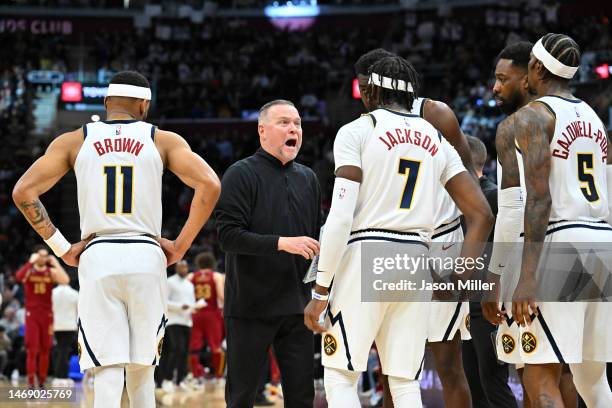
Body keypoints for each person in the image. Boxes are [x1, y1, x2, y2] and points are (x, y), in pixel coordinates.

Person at [12, 70, 221, 407]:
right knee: (142, 372)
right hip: (146, 254)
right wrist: (180, 246)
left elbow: (23, 191)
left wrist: (62, 248)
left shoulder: (74, 140)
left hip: (99, 254)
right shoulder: (162, 139)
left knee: (107, 371)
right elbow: (210, 184)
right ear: (144, 104)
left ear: (107, 102)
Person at [303, 55, 493, 407]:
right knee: (406, 383)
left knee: (341, 377)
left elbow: (341, 218)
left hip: (367, 253)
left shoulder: (358, 130)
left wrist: (320, 289)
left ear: (372, 90)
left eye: (362, 89)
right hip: (418, 259)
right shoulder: (436, 138)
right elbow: (481, 213)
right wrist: (462, 277)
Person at [354, 48, 476, 408]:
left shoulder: (434, 113)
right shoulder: (368, 127)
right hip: (393, 247)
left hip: (441, 244)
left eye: (367, 87)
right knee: (395, 367)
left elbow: (472, 179)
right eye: (360, 87)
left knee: (448, 364)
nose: (364, 96)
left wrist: (468, 264)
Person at [502, 33, 612, 407]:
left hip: (564, 242)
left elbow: (538, 198)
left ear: (534, 67)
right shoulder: (596, 120)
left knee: (540, 372)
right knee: (593, 378)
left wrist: (526, 276)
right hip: (603, 241)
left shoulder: (534, 115)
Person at [215, 99, 321, 408]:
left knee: (302, 398)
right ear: (262, 130)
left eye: (298, 124)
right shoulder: (240, 173)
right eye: (284, 122)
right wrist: (281, 243)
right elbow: (228, 236)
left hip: (298, 307)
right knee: (241, 397)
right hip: (250, 306)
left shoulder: (309, 178)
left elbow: (313, 239)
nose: (294, 129)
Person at [461, 134, 520, 408]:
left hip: (489, 301)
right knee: (475, 383)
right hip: (465, 302)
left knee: (493, 382)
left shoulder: (493, 196)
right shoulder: (462, 198)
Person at [15, 246, 69, 388]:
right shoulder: (29, 270)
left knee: (46, 349)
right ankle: (31, 383)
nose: (43, 258)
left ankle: (42, 383)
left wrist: (56, 263)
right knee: (32, 350)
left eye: (45, 256)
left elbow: (65, 280)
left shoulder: (50, 272)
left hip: (47, 315)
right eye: (40, 255)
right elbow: (18, 277)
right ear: (36, 256)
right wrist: (30, 262)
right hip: (32, 315)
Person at [157, 260, 198, 393]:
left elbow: (191, 302)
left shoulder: (190, 285)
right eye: (181, 266)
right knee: (175, 350)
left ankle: (180, 380)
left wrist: (194, 307)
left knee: (184, 352)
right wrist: (180, 306)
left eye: (185, 266)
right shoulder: (169, 282)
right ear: (176, 268)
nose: (184, 269)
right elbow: (164, 301)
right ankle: (167, 379)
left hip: (187, 322)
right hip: (173, 321)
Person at [188, 252, 225, 385]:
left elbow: (186, 295)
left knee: (194, 346)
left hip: (196, 313)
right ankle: (219, 377)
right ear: (212, 263)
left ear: (198, 263)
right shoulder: (216, 276)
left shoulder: (191, 276)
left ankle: (196, 376)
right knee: (216, 347)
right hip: (212, 314)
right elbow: (221, 296)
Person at [51, 278, 79, 387]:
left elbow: (50, 309)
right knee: (64, 350)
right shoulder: (74, 293)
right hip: (70, 325)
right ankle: (61, 376)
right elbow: (78, 311)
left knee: (61, 349)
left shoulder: (52, 293)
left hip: (56, 325)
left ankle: (59, 376)